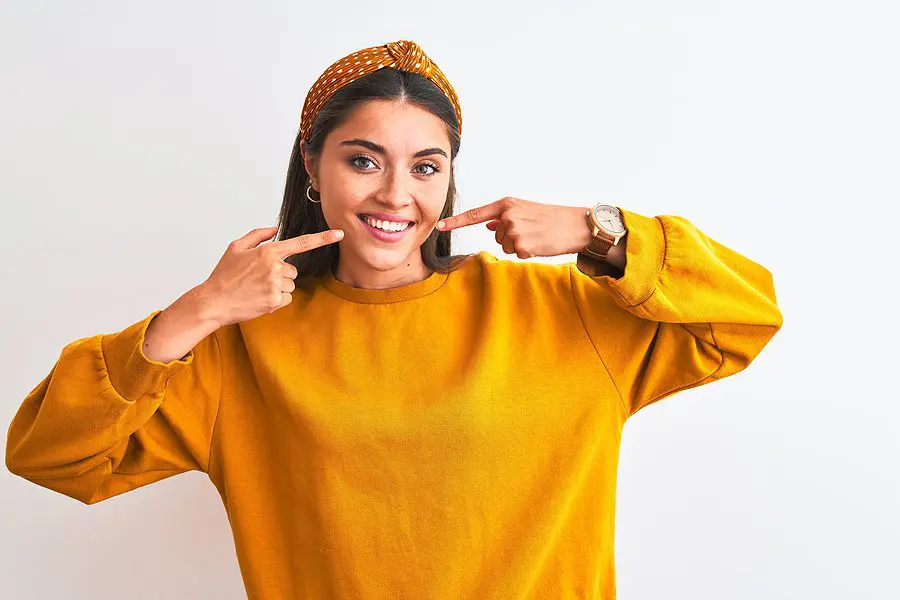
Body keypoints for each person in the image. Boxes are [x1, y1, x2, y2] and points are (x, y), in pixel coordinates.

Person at [5, 39, 783, 599]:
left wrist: (598, 229)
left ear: (449, 179)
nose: (395, 196)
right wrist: (196, 311)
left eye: (425, 166)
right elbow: (49, 456)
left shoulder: (557, 313)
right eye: (363, 159)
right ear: (312, 167)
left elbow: (745, 316)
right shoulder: (237, 348)